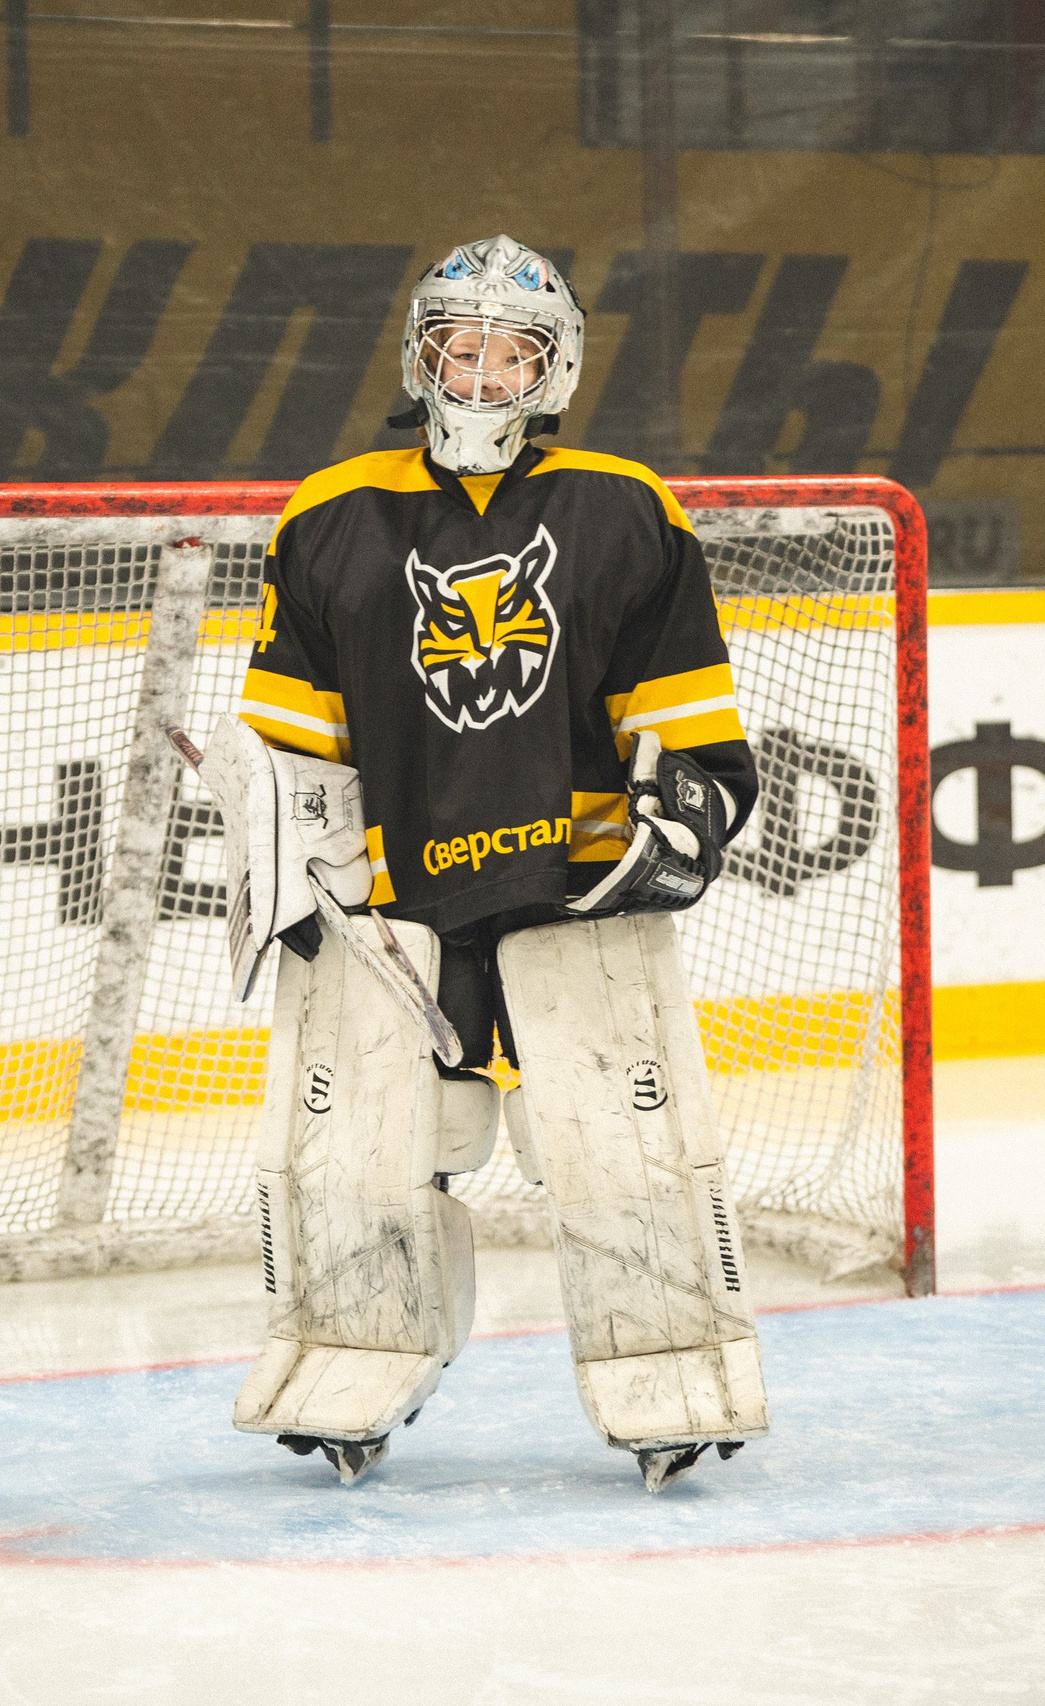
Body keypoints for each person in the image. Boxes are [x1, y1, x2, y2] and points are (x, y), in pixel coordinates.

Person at [194, 235, 770, 1492]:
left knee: (620, 1145)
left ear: (553, 371)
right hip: (394, 908)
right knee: (361, 1148)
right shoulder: (331, 510)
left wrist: (684, 822)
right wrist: (287, 857)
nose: (484, 371)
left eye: (514, 352)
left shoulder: (625, 506)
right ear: (421, 355)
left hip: (577, 890)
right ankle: (350, 1352)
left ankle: (666, 1361)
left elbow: (685, 716)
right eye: (462, 347)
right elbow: (296, 734)